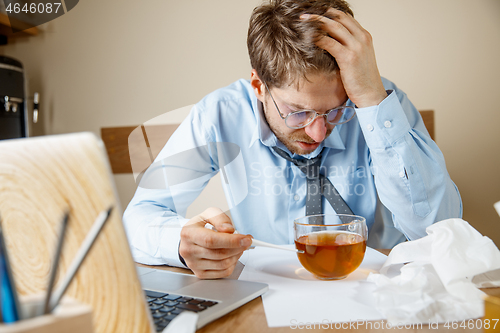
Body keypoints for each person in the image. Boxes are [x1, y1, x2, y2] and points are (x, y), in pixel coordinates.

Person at [123, 0, 462, 279]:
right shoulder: (219, 115)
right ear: (259, 86)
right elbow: (139, 217)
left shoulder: (380, 104)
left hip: (377, 292)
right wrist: (179, 244)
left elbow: (441, 229)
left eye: (335, 110)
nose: (317, 133)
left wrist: (371, 101)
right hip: (263, 297)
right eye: (298, 112)